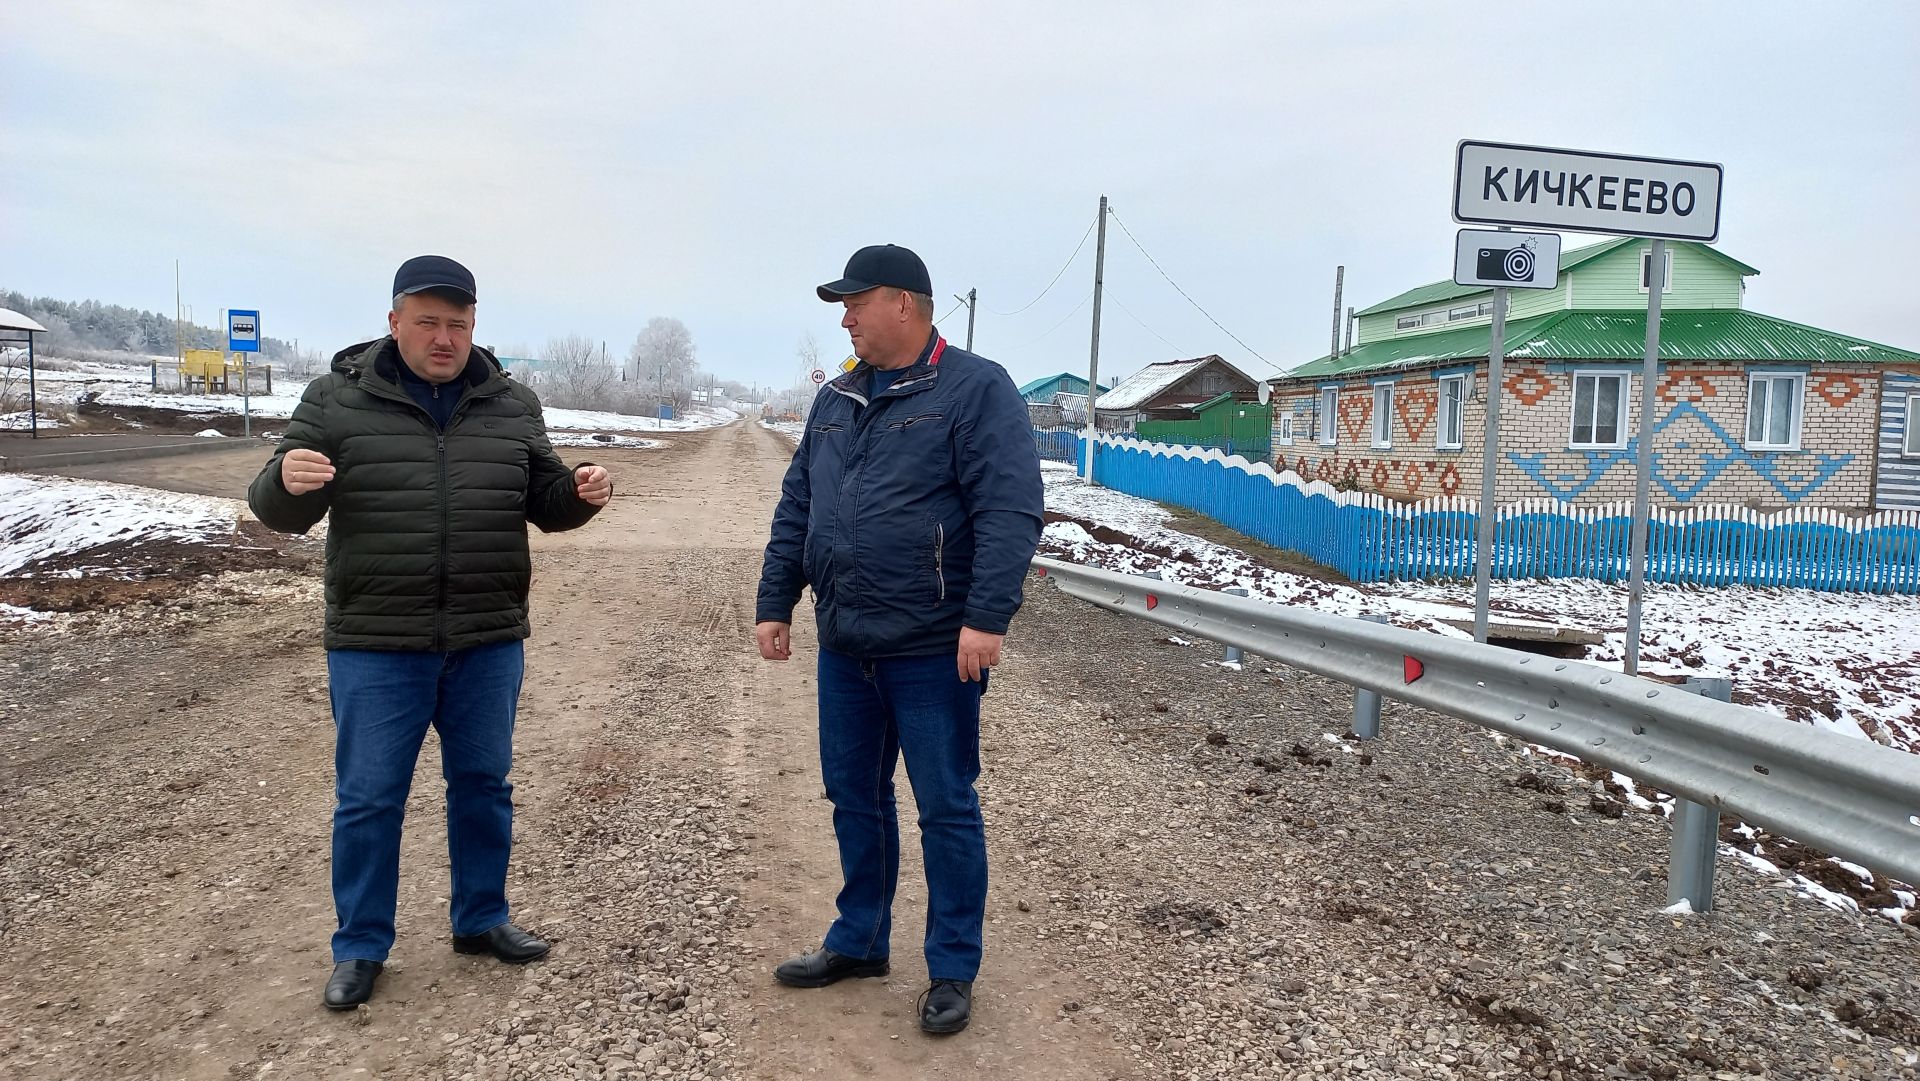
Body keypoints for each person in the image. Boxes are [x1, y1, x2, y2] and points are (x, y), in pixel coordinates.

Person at [246, 255, 613, 1010]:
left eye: (458, 323)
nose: (443, 338)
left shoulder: (512, 403)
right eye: (428, 322)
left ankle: (481, 918)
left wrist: (579, 491)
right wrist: (282, 483)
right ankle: (360, 946)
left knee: (483, 787)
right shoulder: (336, 399)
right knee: (370, 799)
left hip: (486, 636)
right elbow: (277, 503)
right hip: (377, 642)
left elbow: (542, 496)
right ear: (394, 322)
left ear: (475, 325)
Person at [754, 244, 1044, 1035]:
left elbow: (1010, 511)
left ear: (905, 305)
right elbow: (797, 505)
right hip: (846, 644)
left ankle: (952, 965)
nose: (844, 317)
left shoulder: (975, 390)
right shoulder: (839, 396)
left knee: (945, 805)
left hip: (932, 646)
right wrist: (776, 599)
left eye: (856, 302)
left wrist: (987, 618)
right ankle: (860, 940)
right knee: (854, 796)